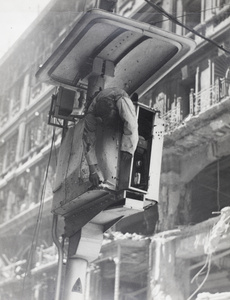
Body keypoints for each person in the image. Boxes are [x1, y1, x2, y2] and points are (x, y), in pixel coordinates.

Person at [83, 87, 139, 186]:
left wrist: (128, 149)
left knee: (130, 118)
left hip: (116, 97)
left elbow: (132, 124)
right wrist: (92, 171)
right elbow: (88, 142)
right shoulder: (90, 117)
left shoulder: (122, 101)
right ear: (99, 120)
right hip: (100, 104)